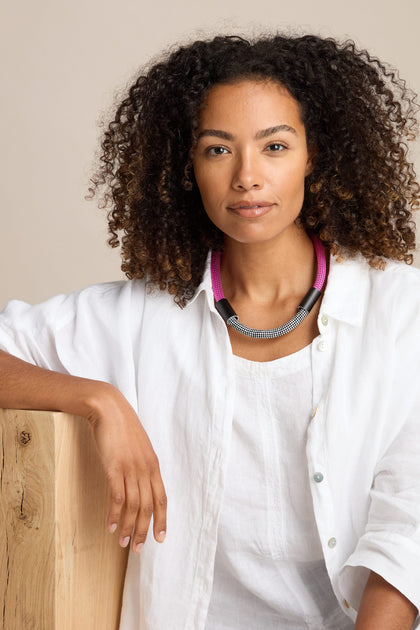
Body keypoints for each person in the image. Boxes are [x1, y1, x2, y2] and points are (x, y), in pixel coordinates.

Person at [0, 32, 419, 630]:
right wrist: (97, 400)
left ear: (314, 156)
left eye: (274, 146)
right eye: (218, 150)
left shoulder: (402, 310)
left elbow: (408, 532)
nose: (247, 176)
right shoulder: (139, 316)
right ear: (188, 168)